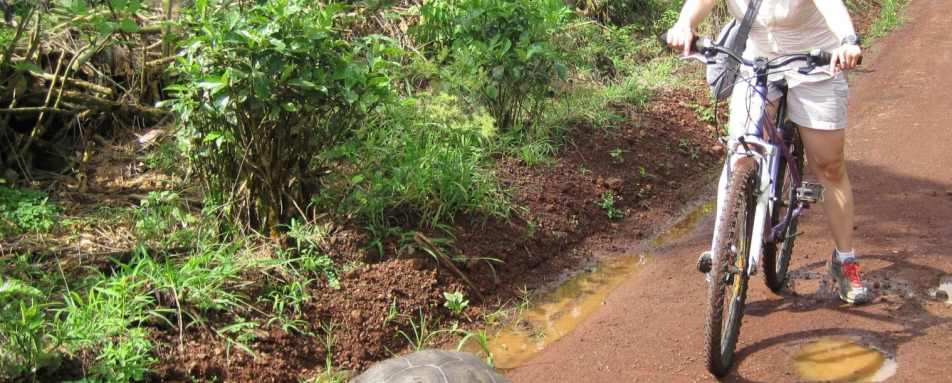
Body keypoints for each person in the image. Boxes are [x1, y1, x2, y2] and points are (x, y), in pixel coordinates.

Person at [666, 0, 870, 304]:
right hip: (756, 62)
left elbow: (831, 6)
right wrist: (685, 24)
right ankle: (726, 247)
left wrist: (848, 40)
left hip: (815, 63)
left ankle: (844, 260)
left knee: (829, 165)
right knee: (741, 150)